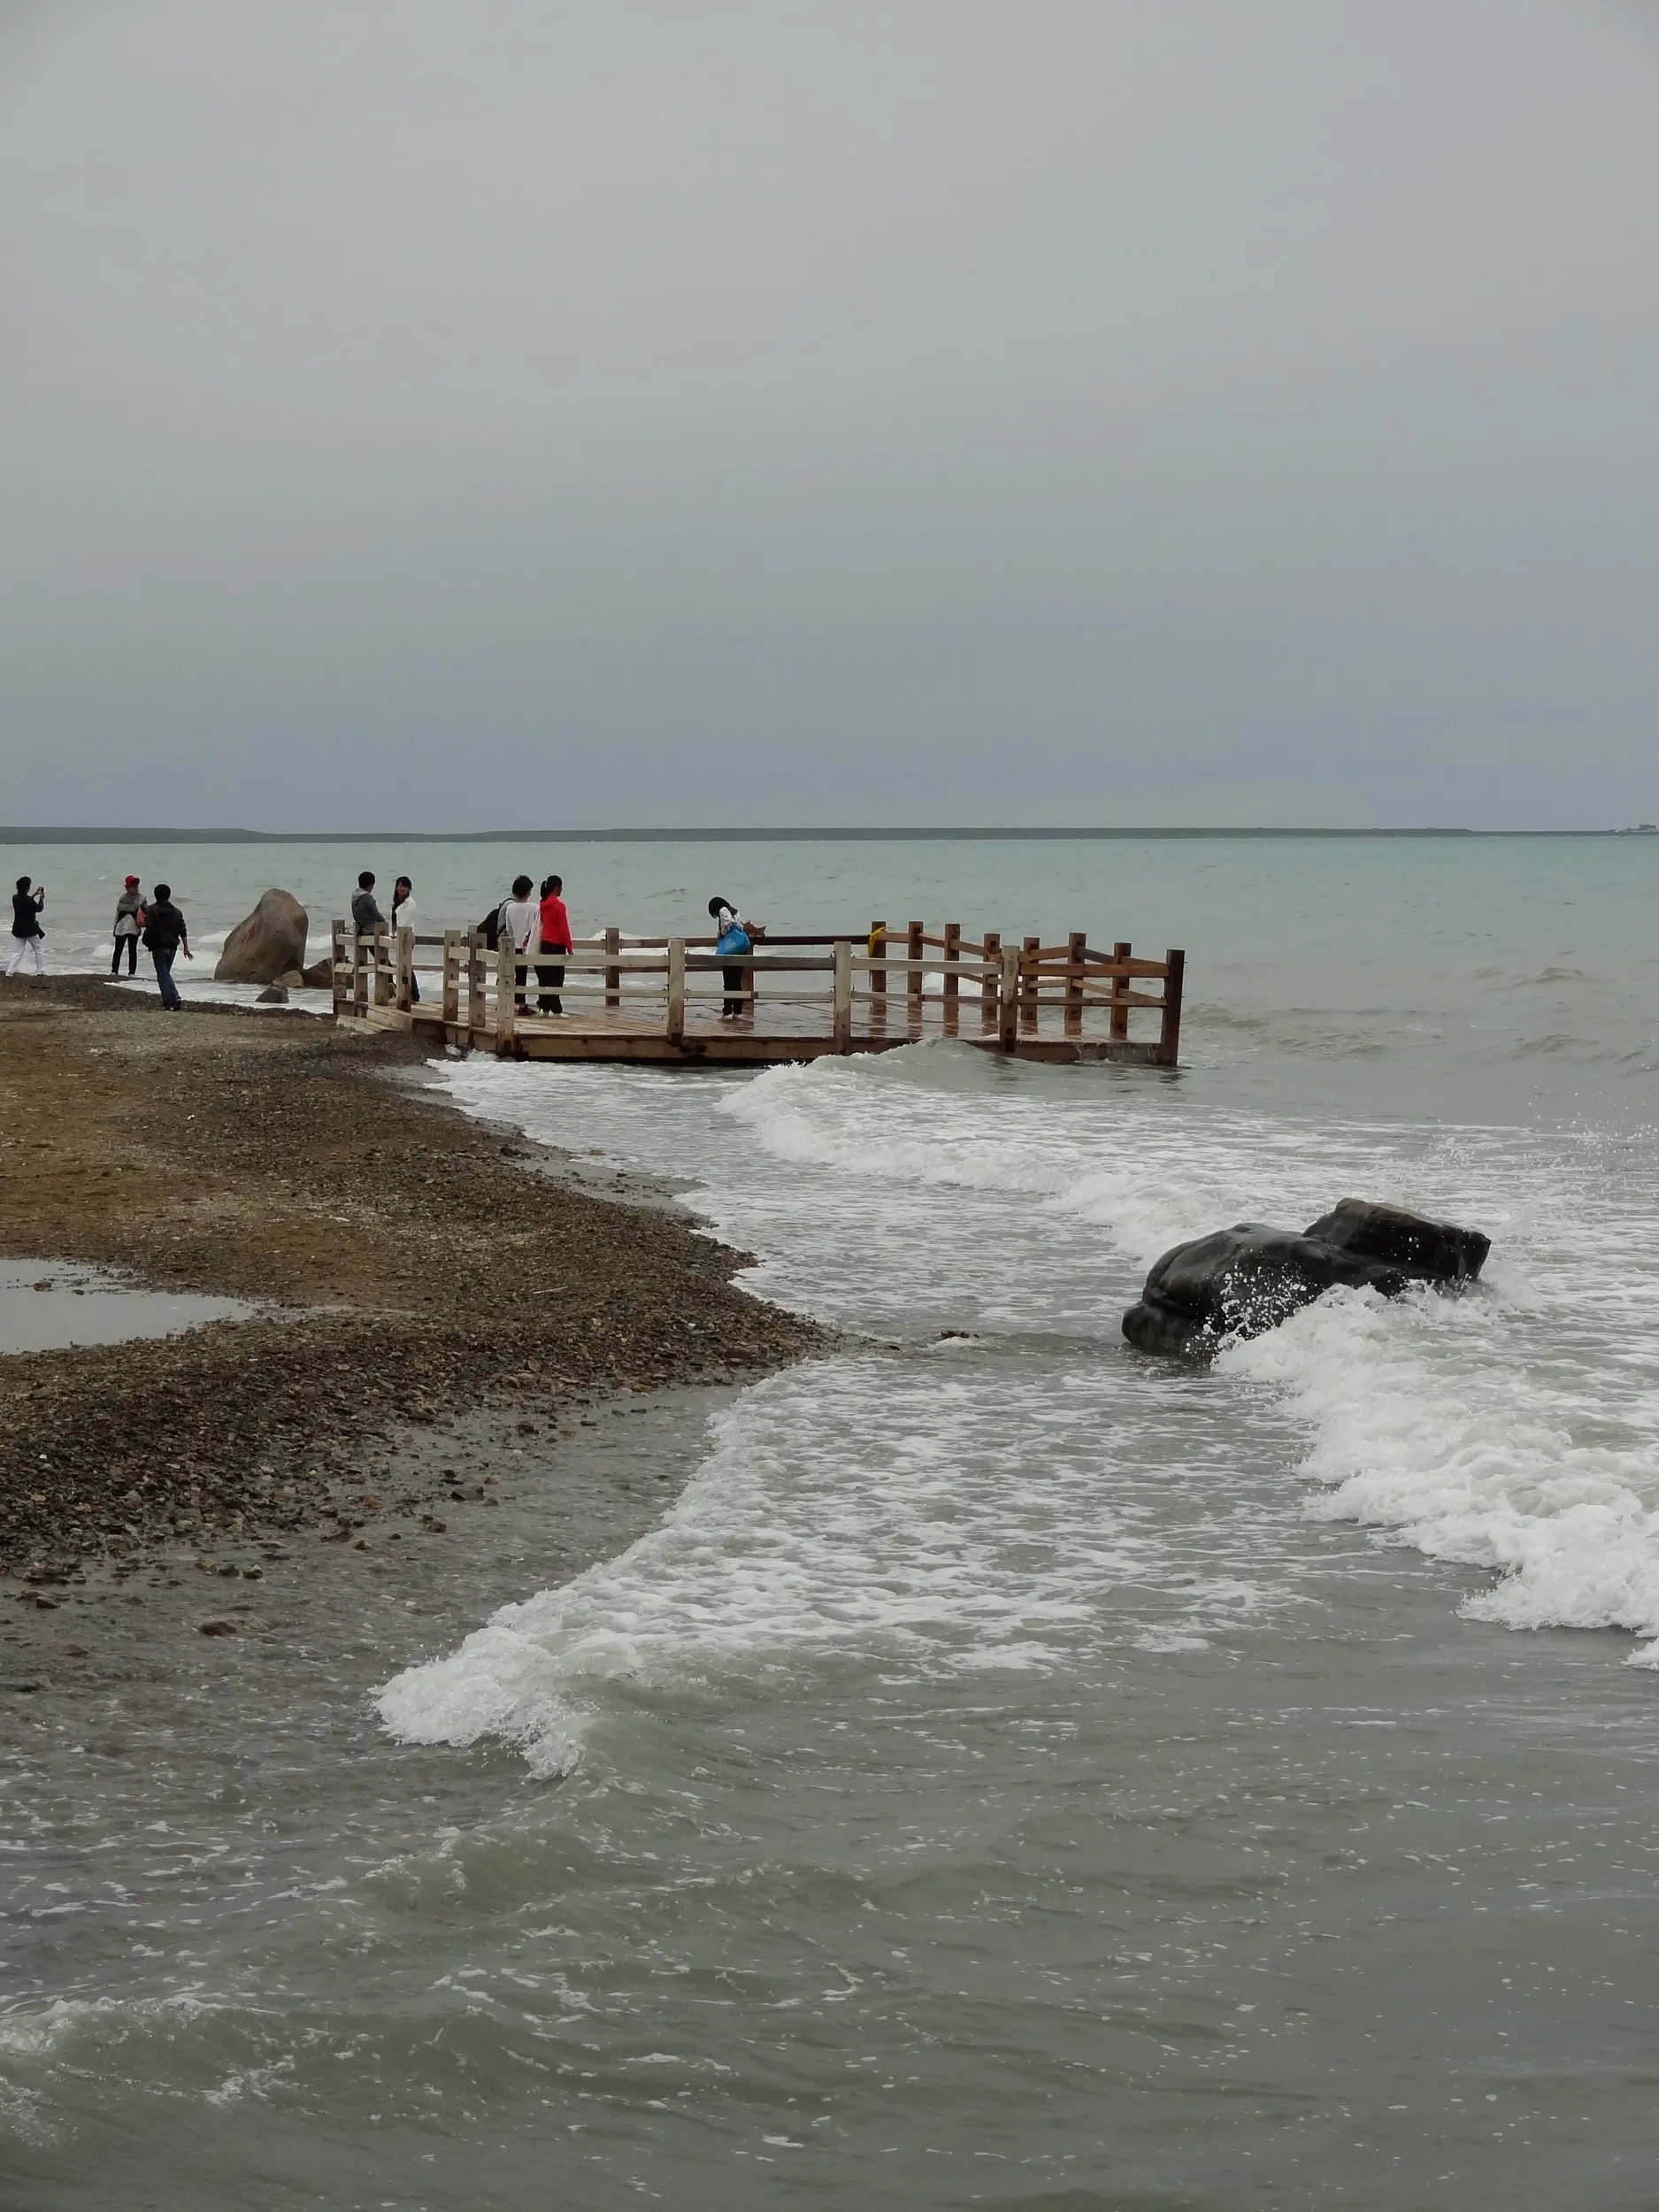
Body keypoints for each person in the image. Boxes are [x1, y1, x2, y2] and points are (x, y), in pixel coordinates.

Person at [141, 883, 192, 1010]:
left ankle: (169, 1002)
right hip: (172, 946)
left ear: (155, 895)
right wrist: (186, 948)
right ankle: (175, 997)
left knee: (162, 974)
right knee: (165, 973)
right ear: (169, 895)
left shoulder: (151, 910)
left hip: (158, 946)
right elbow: (183, 930)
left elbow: (146, 923)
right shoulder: (177, 912)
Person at [497, 875, 540, 1010]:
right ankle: (520, 1003)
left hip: (512, 945)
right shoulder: (534, 907)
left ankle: (506, 1001)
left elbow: (509, 928)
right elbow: (536, 926)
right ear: (528, 892)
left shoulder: (509, 907)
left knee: (509, 974)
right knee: (522, 976)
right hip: (527, 946)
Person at [708, 894, 751, 1019]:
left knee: (728, 982)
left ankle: (727, 1011)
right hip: (740, 950)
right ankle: (738, 1011)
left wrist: (720, 933)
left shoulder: (723, 910)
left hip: (730, 950)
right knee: (737, 982)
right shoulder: (734, 911)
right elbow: (740, 926)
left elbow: (728, 923)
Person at [536, 873, 572, 1015]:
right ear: (556, 887)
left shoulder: (542, 904)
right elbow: (563, 929)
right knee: (556, 978)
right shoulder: (559, 906)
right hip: (556, 944)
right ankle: (557, 1010)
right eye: (561, 887)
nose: (562, 890)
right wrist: (569, 947)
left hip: (545, 943)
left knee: (545, 977)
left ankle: (544, 1008)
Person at [389, 874, 419, 1004]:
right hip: (399, 936)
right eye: (399, 886)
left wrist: (399, 934)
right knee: (404, 966)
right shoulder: (398, 903)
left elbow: (406, 920)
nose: (401, 888)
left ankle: (414, 994)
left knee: (406, 966)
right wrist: (393, 933)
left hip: (407, 936)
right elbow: (395, 921)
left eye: (404, 886)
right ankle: (407, 993)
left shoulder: (410, 903)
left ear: (409, 888)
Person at [7, 877, 45, 977]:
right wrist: (41, 899)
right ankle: (40, 971)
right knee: (38, 949)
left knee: (18, 952)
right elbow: (39, 908)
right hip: (30, 930)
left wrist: (34, 895)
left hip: (18, 929)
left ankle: (10, 972)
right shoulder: (28, 900)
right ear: (27, 887)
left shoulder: (15, 898)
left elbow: (27, 901)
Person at [111, 875, 145, 975]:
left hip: (134, 927)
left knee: (133, 951)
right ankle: (114, 971)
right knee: (118, 950)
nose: (131, 888)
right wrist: (114, 926)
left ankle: (132, 972)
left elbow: (145, 912)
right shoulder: (123, 898)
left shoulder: (141, 898)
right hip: (121, 927)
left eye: (133, 886)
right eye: (129, 886)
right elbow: (118, 913)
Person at [350, 870, 384, 937]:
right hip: (371, 931)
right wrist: (384, 923)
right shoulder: (367, 897)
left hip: (360, 931)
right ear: (370, 885)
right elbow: (376, 914)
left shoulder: (354, 897)